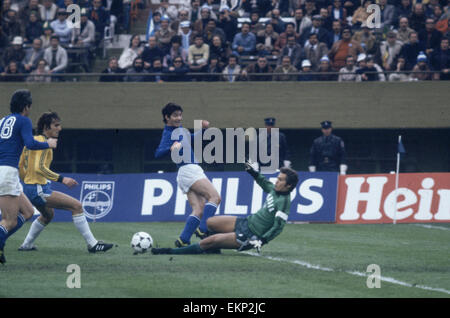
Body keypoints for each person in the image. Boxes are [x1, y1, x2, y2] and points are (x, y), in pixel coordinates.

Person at [17, 112, 114, 253]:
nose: (60, 128)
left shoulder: (31, 142)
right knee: (77, 206)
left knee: (48, 215)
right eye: (56, 125)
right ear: (46, 127)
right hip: (38, 188)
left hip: (30, 187)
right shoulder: (44, 143)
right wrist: (63, 179)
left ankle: (26, 245)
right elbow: (40, 168)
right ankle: (93, 245)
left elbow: (21, 165)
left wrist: (27, 182)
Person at [151, 164, 299, 255]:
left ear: (289, 186)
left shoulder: (284, 202)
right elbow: (263, 182)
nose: (276, 181)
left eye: (280, 180)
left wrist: (262, 240)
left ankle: (169, 251)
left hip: (249, 235)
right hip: (246, 222)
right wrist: (252, 171)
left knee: (209, 241)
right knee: (209, 222)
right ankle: (214, 248)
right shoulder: (274, 190)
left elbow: (278, 227)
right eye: (277, 178)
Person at [0, 89, 57, 264]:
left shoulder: (3, 120)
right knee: (9, 220)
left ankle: (0, 246)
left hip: (6, 171)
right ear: (26, 106)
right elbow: (30, 144)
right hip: (7, 172)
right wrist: (48, 143)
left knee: (28, 211)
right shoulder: (23, 120)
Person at [154, 103, 221, 247]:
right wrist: (170, 148)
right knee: (215, 197)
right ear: (167, 117)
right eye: (175, 115)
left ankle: (183, 240)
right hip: (189, 169)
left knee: (199, 209)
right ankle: (203, 230)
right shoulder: (169, 133)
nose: (179, 118)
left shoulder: (179, 130)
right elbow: (158, 153)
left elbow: (191, 137)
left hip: (184, 173)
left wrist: (203, 130)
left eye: (180, 114)